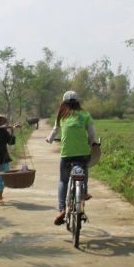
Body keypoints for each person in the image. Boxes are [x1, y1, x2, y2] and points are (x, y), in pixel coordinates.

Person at [46, 91, 97, 225]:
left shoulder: (62, 116)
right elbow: (92, 134)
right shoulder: (85, 115)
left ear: (64, 103)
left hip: (67, 155)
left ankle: (62, 209)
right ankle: (84, 191)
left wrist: (49, 139)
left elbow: (55, 130)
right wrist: (90, 142)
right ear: (78, 102)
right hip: (82, 154)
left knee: (63, 180)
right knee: (84, 167)